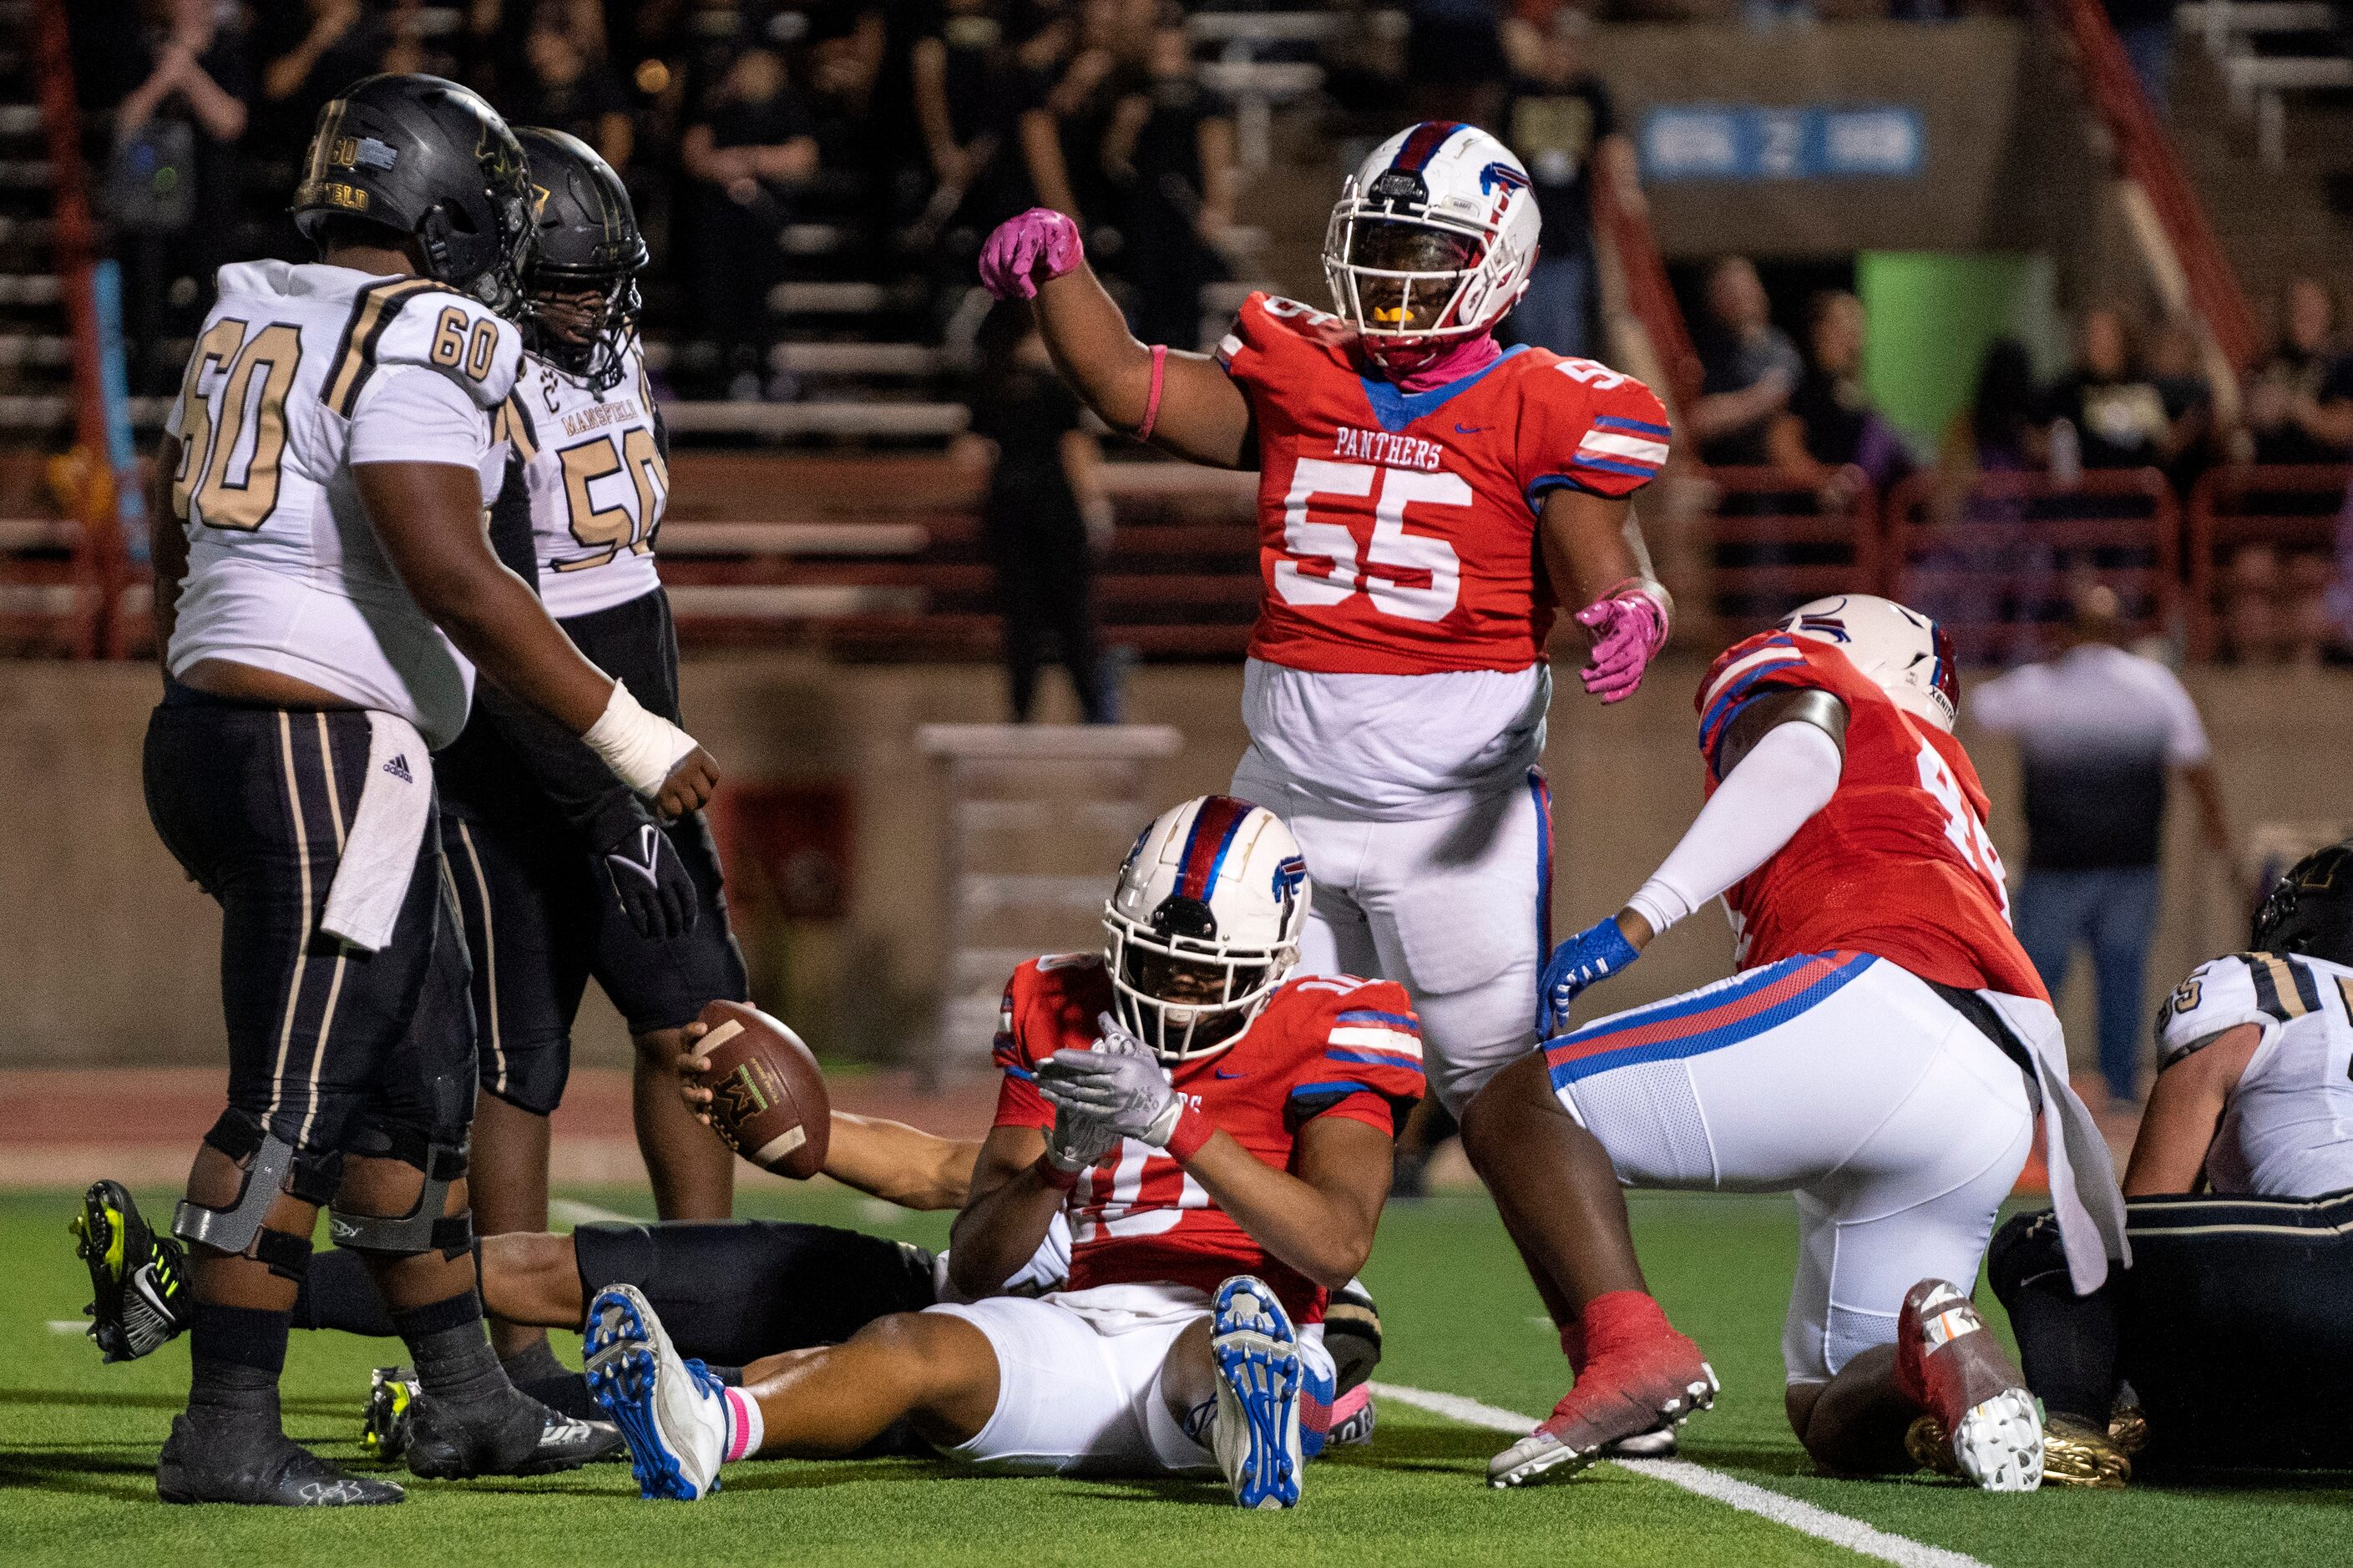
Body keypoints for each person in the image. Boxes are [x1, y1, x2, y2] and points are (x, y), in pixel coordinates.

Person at [975, 122, 1688, 1465]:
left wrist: (1627, 608)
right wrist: (1061, 278)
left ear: (1501, 264)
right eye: (1383, 247)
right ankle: (1304, 1345)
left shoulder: (1545, 400)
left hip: (1450, 819)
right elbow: (1131, 385)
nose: (1401, 278)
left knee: (1491, 1081)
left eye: (1430, 253)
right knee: (1236, 1063)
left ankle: (1624, 1337)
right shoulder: (1302, 366)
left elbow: (1604, 553)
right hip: (1288, 804)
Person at [134, 72, 719, 1506]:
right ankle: (223, 1422)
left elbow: (172, 508)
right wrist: (628, 734)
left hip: (235, 725)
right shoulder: (426, 327)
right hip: (326, 749)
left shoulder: (255, 299)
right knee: (296, 1105)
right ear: (447, 207)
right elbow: (454, 569)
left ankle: (472, 1400)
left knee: (417, 1103)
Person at [584, 797, 1423, 1506]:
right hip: (1077, 1318)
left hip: (1221, 1319)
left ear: (1276, 964)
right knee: (911, 1342)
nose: (1168, 993)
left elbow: (1336, 1244)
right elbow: (980, 1263)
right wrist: (1057, 1164)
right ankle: (710, 1429)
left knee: (1228, 1344)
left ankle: (1266, 1417)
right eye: (1150, 961)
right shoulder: (1057, 997)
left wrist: (1175, 1122)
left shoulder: (1344, 1023)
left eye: (1203, 977)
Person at [1463, 594, 2128, 1489]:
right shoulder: (1945, 775)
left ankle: (1629, 1351)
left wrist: (1636, 923)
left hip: (1878, 1008)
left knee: (1519, 1106)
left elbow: (1804, 744)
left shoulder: (1813, 673)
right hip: (1997, 1079)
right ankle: (1933, 1341)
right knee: (1827, 1413)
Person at [76, 1107, 1387, 1453]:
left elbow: (1334, 1305)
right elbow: (946, 1168)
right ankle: (191, 1288)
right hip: (919, 1274)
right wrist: (807, 1140)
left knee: (729, 1382)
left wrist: (1323, 1386)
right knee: (535, 1265)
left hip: (1004, 1350)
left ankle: (467, 1419)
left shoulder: (1279, 1211)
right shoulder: (1094, 1048)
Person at [434, 128, 751, 1387]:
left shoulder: (615, 359)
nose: (591, 302)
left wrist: (646, 756)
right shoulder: (470, 381)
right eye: (564, 278)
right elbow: (496, 619)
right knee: (523, 1054)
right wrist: (604, 786)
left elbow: (631, 580)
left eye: (603, 276)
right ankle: (513, 1356)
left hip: (634, 737)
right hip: (525, 753)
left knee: (693, 1024)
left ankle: (706, 1307)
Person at [1986, 840, 2353, 1479]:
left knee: (2053, 1242)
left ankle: (2076, 1429)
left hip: (2336, 1246)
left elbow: (2148, 1211)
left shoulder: (2272, 984)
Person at [1969, 584, 2232, 1105]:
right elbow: (2194, 761)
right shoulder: (2155, 686)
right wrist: (2214, 828)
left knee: (2038, 984)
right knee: (2122, 980)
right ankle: (2119, 1095)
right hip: (2130, 863)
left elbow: (1978, 708)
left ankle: (2027, 1087)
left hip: (2058, 865)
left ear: (2066, 632)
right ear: (2121, 632)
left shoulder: (2041, 687)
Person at [958, 297, 1112, 721]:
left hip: (1008, 505)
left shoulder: (990, 381)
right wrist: (1095, 506)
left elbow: (968, 449)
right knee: (1073, 617)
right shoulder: (1055, 383)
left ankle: (1021, 716)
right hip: (1055, 506)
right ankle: (1094, 713)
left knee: (1020, 619)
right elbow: (1074, 447)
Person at [681, 47, 818, 401]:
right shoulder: (718, 107)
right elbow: (694, 153)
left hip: (764, 218)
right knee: (718, 286)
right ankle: (726, 367)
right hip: (720, 219)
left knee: (758, 292)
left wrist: (749, 160)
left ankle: (762, 366)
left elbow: (803, 156)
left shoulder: (786, 108)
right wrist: (721, 167)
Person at [1499, 8, 1631, 362]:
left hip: (1570, 228)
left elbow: (1612, 147)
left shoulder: (1591, 93)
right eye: (1558, 46)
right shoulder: (1519, 92)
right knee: (1524, 323)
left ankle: (1559, 398)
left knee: (1565, 323)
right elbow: (1502, 152)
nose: (1563, 55)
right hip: (1523, 228)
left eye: (1573, 48)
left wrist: (1625, 189)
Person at [1768, 290, 1912, 493]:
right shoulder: (1806, 386)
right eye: (1846, 316)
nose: (1855, 326)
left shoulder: (1856, 390)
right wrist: (1824, 483)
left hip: (1866, 510)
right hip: (1824, 516)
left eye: (1858, 317)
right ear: (1821, 329)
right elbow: (1783, 445)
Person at [1690, 255, 1801, 468]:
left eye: (1745, 287)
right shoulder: (1705, 352)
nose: (1740, 297)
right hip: (1719, 472)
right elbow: (1692, 420)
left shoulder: (1780, 349)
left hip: (1771, 478)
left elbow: (1774, 397)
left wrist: (1719, 412)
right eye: (1728, 290)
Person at [2242, 277, 2353, 466]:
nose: (2303, 315)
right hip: (2268, 480)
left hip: (2317, 481)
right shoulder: (2268, 361)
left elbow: (2344, 427)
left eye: (2312, 308)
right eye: (2297, 307)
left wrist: (2293, 407)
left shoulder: (2343, 363)